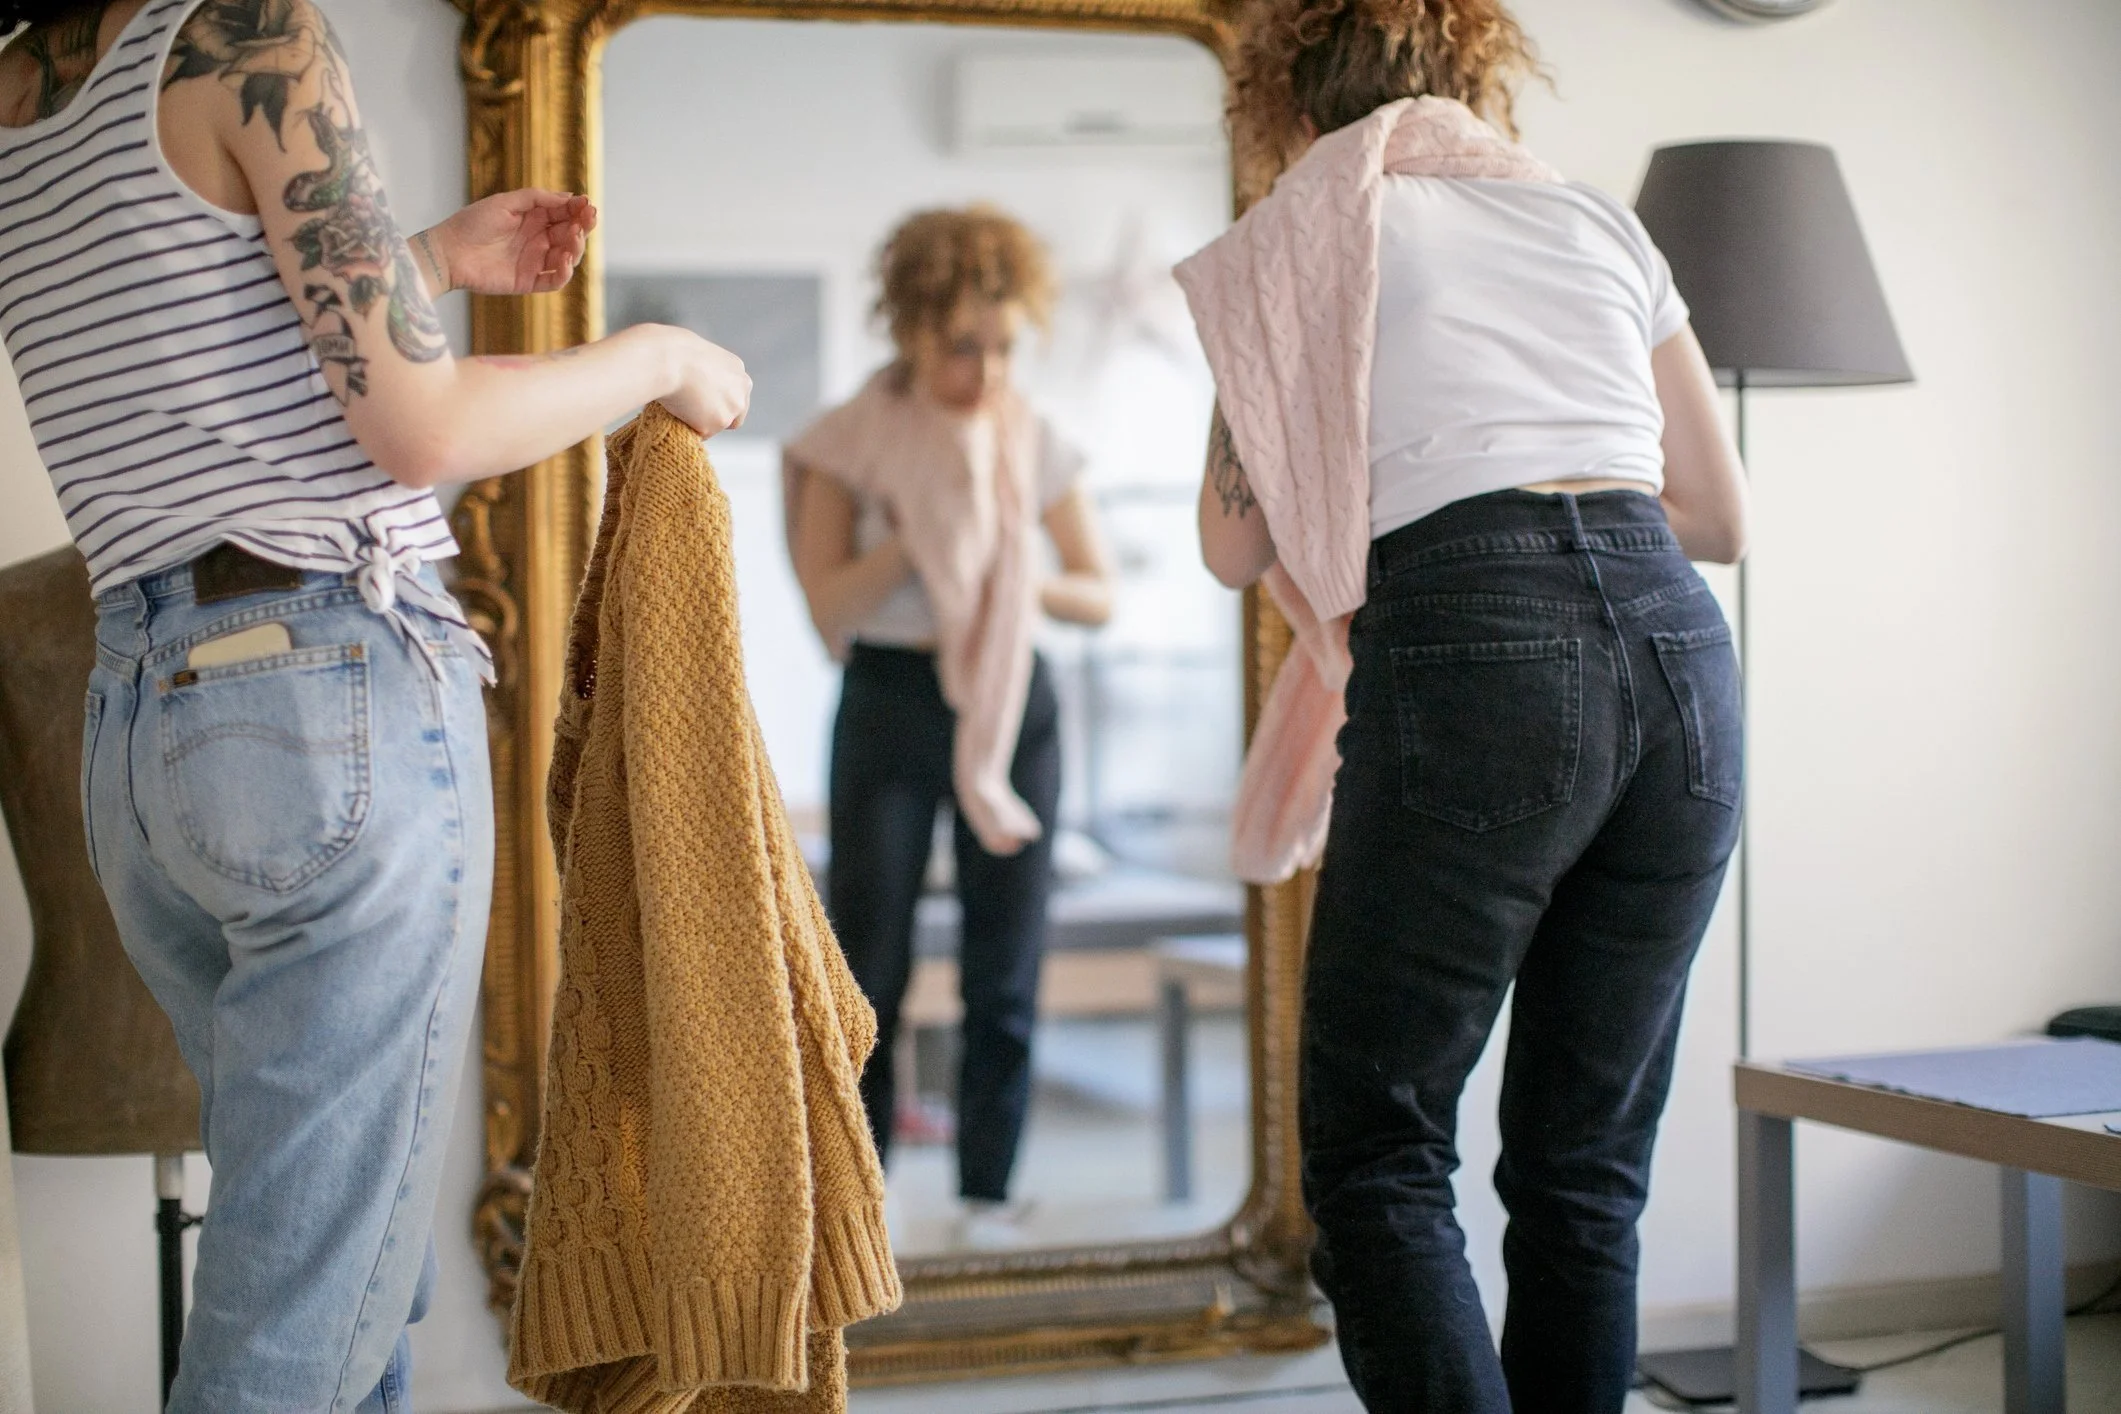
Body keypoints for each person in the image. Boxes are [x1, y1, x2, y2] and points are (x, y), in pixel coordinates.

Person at [0, 2, 750, 1409]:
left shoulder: (26, 88)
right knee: (297, 1318)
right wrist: (655, 356)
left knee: (338, 1249)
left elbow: (184, 354)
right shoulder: (241, 33)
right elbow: (431, 429)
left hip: (141, 727)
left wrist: (432, 262)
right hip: (315, 695)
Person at [1176, 0, 1750, 1409]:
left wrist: (1275, 340)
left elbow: (1233, 545)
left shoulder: (1303, 229)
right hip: (1681, 652)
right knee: (1585, 1165)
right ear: (1477, 80)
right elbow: (1719, 515)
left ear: (1288, 109)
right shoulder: (1595, 222)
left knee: (1376, 1151)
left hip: (1476, 636)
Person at [785, 206, 1114, 1247]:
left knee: (1004, 961)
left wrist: (1011, 567)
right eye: (963, 346)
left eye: (1006, 346)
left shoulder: (1036, 439)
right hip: (888, 698)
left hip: (1017, 700)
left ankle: (987, 1193)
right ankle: (859, 1206)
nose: (985, 372)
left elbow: (1099, 594)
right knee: (868, 963)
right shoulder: (844, 444)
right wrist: (922, 535)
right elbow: (828, 611)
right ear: (913, 328)